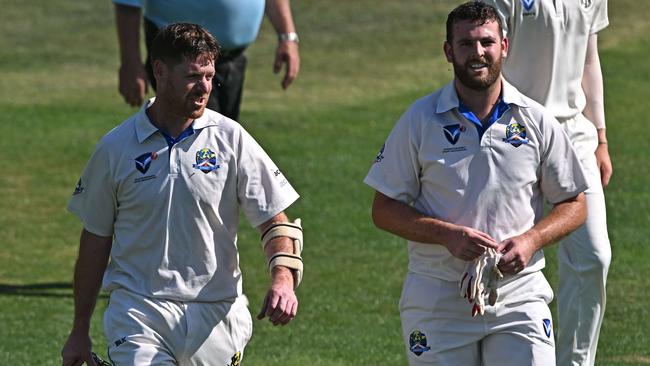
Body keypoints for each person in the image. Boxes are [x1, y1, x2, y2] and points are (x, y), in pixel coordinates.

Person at [61, 23, 304, 366]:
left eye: (209, 75)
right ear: (160, 71)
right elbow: (95, 240)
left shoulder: (231, 139)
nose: (204, 87)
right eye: (193, 76)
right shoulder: (116, 148)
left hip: (217, 315)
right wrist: (78, 330)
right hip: (140, 310)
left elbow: (275, 222)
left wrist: (283, 279)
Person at [364, 2, 588, 365]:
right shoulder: (420, 119)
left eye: (486, 42)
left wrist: (531, 240)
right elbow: (383, 210)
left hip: (519, 296)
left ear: (505, 46)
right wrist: (447, 235)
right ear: (448, 51)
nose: (478, 53)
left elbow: (575, 203)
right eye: (466, 44)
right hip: (438, 298)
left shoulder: (537, 119)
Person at [479, 0, 612, 364]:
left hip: (575, 135)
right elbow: (489, 60)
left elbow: (588, 59)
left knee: (595, 257)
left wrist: (600, 136)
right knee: (504, 256)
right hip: (516, 132)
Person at [114, 0, 300, 121]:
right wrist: (131, 62)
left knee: (221, 137)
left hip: (232, 59)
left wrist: (288, 36)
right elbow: (128, 4)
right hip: (181, 59)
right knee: (201, 138)